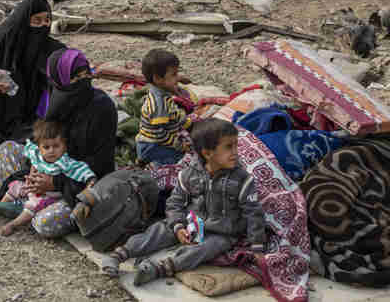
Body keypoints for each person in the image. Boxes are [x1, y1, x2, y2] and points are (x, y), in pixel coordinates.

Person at [101, 118, 266, 286]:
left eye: (236, 145)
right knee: (159, 230)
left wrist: (257, 246)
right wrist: (178, 226)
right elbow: (175, 203)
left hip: (221, 232)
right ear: (207, 153)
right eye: (228, 147)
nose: (236, 152)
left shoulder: (242, 180)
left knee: (206, 249)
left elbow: (254, 213)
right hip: (191, 223)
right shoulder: (190, 174)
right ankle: (118, 255)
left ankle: (160, 268)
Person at [0, 48, 117, 238]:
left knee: (45, 223)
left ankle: (29, 209)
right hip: (46, 165)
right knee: (7, 149)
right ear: (60, 81)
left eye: (86, 75)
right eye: (75, 78)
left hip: (79, 181)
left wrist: (55, 183)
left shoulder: (102, 107)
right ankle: (26, 202)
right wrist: (34, 169)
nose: (83, 82)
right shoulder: (54, 98)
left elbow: (101, 164)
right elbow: (39, 139)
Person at [0, 0, 65, 157]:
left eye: (47, 20)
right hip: (3, 114)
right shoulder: (4, 40)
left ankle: (12, 147)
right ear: (24, 21)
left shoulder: (53, 49)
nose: (43, 25)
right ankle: (3, 144)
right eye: (37, 20)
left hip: (37, 116)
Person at [0, 120, 96, 236]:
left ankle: (13, 224)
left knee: (34, 205)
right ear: (40, 147)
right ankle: (1, 207)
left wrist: (90, 183)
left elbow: (85, 173)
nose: (51, 151)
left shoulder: (65, 163)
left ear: (65, 146)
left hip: (49, 196)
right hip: (31, 188)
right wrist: (32, 170)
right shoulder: (37, 154)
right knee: (15, 186)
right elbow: (30, 151)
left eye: (56, 146)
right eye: (46, 147)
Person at [136, 49, 195, 165]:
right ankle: (148, 162)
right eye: (174, 75)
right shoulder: (159, 104)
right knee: (182, 159)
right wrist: (179, 145)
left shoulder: (164, 94)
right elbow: (159, 134)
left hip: (161, 138)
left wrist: (190, 125)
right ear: (158, 79)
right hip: (152, 146)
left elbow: (174, 115)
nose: (177, 78)